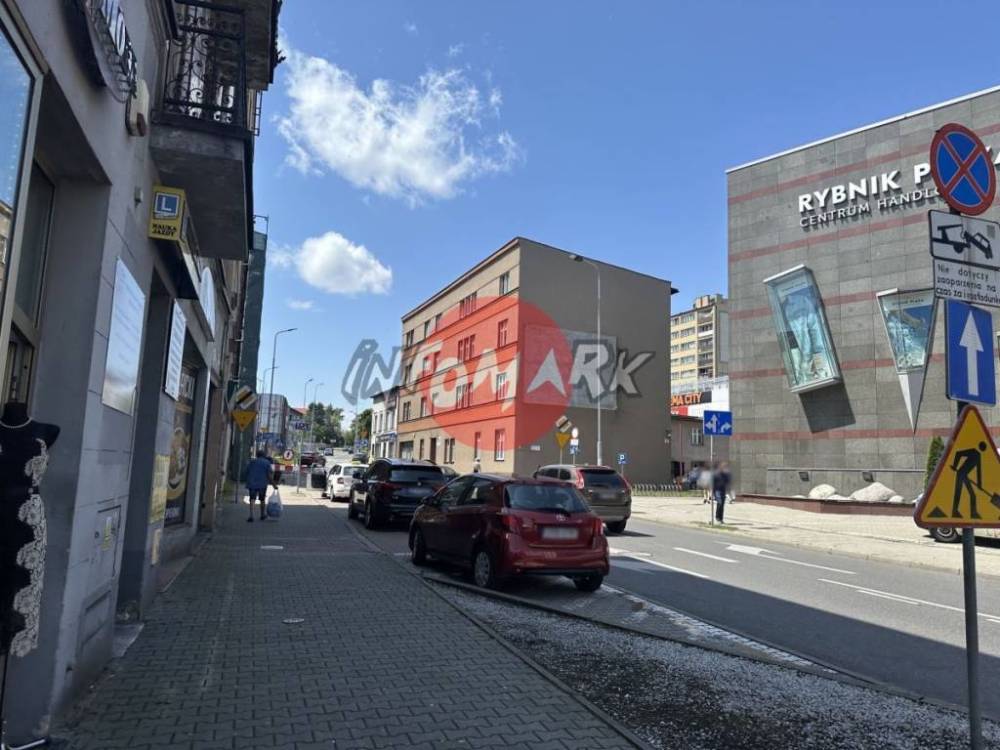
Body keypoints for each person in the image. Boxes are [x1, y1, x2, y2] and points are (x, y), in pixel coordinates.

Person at [244, 450, 275, 522]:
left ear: (257, 455)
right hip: (262, 484)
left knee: (252, 499)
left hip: (252, 483)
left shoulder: (252, 462)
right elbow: (269, 475)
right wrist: (274, 485)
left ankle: (251, 515)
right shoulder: (267, 463)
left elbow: (246, 471)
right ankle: (262, 515)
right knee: (262, 499)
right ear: (264, 455)